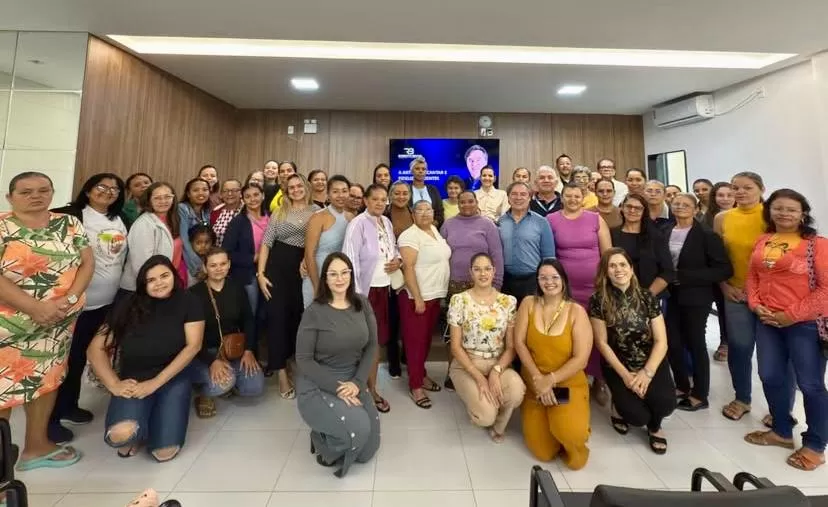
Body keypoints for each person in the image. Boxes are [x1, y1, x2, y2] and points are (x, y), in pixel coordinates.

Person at [0, 172, 92, 470]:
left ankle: (36, 446)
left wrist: (66, 301)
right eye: (25, 191)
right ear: (9, 196)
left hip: (57, 323)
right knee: (4, 390)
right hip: (10, 325)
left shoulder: (68, 223)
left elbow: (87, 262)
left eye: (43, 190)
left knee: (45, 382)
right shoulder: (2, 226)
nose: (35, 196)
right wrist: (33, 306)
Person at [87, 255, 204, 461]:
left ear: (174, 276)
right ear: (143, 283)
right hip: (134, 378)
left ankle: (150, 421)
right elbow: (95, 348)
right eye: (151, 280)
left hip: (172, 377)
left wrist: (154, 384)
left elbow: (193, 346)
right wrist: (114, 384)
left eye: (164, 276)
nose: (159, 283)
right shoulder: (127, 304)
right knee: (119, 437)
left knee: (164, 452)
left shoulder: (189, 301)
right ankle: (141, 426)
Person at [744, 189, 827, 471]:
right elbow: (753, 275)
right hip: (767, 321)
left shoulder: (817, 245)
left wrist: (791, 315)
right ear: (769, 212)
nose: (784, 213)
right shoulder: (764, 239)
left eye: (791, 209)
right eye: (778, 208)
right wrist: (755, 304)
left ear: (803, 213)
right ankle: (780, 430)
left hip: (804, 324)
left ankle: (815, 444)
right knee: (769, 375)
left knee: (811, 385)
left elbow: (826, 290)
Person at [48, 173, 129, 444]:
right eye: (101, 187)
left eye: (114, 189)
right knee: (63, 360)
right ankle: (51, 420)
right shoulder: (71, 215)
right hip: (75, 303)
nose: (108, 192)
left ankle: (70, 405)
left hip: (105, 302)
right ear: (88, 190)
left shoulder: (118, 219)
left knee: (81, 357)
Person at [714, 172, 791, 423]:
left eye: (747, 188)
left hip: (772, 297)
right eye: (736, 188)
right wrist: (724, 286)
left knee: (777, 354)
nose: (740, 192)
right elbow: (717, 258)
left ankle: (781, 409)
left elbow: (785, 259)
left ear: (761, 189)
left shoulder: (772, 217)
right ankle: (742, 398)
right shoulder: (722, 218)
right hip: (735, 293)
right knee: (739, 348)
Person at [296, 252, 381, 478]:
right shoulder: (314, 312)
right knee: (359, 430)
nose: (340, 279)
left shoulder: (362, 303)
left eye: (344, 273)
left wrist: (357, 382)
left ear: (351, 275)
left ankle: (329, 433)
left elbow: (372, 345)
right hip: (319, 381)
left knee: (367, 450)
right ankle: (321, 439)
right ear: (325, 279)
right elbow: (303, 359)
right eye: (333, 274)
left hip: (353, 379)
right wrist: (338, 388)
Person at [589, 248, 676, 454]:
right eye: (612, 266)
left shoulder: (647, 297)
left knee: (665, 404)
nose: (618, 270)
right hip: (618, 365)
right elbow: (602, 343)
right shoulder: (598, 300)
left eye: (622, 265)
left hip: (650, 361)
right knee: (637, 417)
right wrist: (627, 377)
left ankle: (655, 427)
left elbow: (661, 341)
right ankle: (618, 408)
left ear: (631, 269)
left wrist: (647, 373)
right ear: (605, 271)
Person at [515, 259, 592, 469]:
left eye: (554, 277)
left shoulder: (576, 312)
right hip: (535, 383)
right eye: (543, 277)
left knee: (571, 438)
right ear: (537, 280)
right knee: (542, 452)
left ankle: (574, 427)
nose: (549, 282)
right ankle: (552, 424)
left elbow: (581, 359)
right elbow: (519, 343)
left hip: (567, 384)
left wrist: (551, 379)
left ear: (564, 280)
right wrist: (539, 380)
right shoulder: (528, 303)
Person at [448, 253, 526, 442]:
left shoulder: (508, 302)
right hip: (467, 363)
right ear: (471, 273)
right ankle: (481, 409)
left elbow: (511, 346)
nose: (483, 273)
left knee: (517, 391)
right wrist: (479, 377)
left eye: (487, 269)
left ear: (494, 271)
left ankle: (499, 425)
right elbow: (456, 347)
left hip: (497, 362)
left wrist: (496, 371)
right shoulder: (459, 300)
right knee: (485, 416)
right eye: (477, 269)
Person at [665, 193, 732, 412]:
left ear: (696, 209)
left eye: (686, 205)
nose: (680, 207)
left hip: (696, 297)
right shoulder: (666, 231)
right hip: (670, 295)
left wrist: (684, 276)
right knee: (672, 342)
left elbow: (723, 269)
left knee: (695, 343)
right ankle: (682, 385)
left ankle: (700, 394)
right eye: (676, 204)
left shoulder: (706, 235)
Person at [548, 183, 612, 404]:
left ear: (583, 197)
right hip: (565, 291)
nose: (573, 199)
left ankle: (600, 381)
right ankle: (573, 378)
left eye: (577, 196)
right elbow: (550, 254)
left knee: (596, 334)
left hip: (594, 289)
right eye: (568, 196)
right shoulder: (552, 219)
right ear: (562, 197)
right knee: (569, 335)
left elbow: (608, 255)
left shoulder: (595, 219)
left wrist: (605, 284)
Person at [258, 174, 320, 397]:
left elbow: (318, 242)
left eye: (299, 186)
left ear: (306, 187)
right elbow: (266, 243)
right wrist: (261, 274)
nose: (295, 190)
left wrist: (307, 259)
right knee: (277, 320)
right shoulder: (280, 210)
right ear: (286, 190)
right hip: (276, 269)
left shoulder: (316, 211)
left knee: (296, 320)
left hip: (302, 271)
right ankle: (282, 374)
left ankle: (289, 361)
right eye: (291, 187)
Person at [342, 184, 399, 413]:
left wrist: (398, 260)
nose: (379, 203)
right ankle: (358, 389)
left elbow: (392, 250)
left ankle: (371, 388)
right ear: (365, 200)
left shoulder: (386, 222)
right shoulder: (357, 224)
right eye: (374, 198)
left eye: (383, 199)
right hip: (364, 292)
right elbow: (349, 259)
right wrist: (355, 296)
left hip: (384, 289)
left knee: (375, 343)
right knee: (363, 343)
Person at [441, 190, 504, 389]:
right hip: (454, 286)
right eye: (462, 202)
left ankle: (480, 373)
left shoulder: (487, 225)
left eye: (470, 201)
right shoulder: (448, 224)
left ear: (476, 202)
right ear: (457, 203)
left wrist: (497, 284)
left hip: (482, 286)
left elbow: (497, 255)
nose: (466, 204)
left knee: (478, 333)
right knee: (455, 335)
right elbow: (441, 253)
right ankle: (453, 374)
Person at [190, 248, 264, 418]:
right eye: (213, 265)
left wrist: (248, 350)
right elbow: (190, 339)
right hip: (205, 353)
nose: (219, 268)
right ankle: (205, 393)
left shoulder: (236, 288)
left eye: (223, 264)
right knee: (223, 383)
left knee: (254, 387)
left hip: (233, 350)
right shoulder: (194, 295)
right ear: (205, 267)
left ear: (229, 264)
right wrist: (211, 361)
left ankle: (229, 381)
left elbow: (248, 320)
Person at [399, 200, 451, 408]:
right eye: (419, 210)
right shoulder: (409, 235)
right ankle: (415, 386)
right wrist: (417, 297)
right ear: (412, 214)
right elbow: (408, 268)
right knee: (415, 343)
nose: (424, 213)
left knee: (426, 340)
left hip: (434, 295)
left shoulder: (434, 230)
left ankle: (421, 375)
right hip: (416, 298)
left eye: (427, 209)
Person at [222, 182, 269, 343]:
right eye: (248, 196)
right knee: (252, 315)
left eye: (256, 195)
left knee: (266, 315)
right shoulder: (238, 222)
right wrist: (254, 258)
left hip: (270, 272)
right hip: (248, 276)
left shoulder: (272, 217)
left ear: (263, 196)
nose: (253, 199)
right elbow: (227, 252)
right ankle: (249, 352)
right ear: (243, 199)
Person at [499, 182, 556, 304]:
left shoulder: (541, 222)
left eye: (523, 194)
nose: (518, 198)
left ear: (530, 198)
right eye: (514, 194)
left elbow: (549, 257)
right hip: (506, 282)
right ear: (508, 198)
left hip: (533, 282)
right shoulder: (500, 222)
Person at [611, 193, 675, 300]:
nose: (632, 210)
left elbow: (667, 272)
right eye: (628, 206)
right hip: (618, 297)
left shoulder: (656, 235)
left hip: (652, 297)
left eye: (638, 208)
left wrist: (646, 297)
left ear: (644, 211)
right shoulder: (612, 234)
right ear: (621, 207)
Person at [303, 175, 354, 307]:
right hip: (317, 274)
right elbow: (309, 254)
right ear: (328, 194)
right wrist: (317, 287)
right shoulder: (318, 217)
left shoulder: (352, 218)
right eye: (335, 191)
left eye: (344, 191)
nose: (340, 195)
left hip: (340, 278)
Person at [120, 182, 181, 293]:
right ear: (149, 201)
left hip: (163, 284)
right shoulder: (143, 224)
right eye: (157, 198)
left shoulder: (173, 220)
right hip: (143, 289)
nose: (163, 201)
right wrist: (155, 287)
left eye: (167, 197)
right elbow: (140, 265)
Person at [703, 181, 735, 361]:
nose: (725, 199)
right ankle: (725, 341)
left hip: (738, 270)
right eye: (720, 195)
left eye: (729, 195)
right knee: (722, 308)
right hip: (713, 270)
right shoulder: (706, 219)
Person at [178, 178, 212, 286]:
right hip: (188, 263)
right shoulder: (182, 208)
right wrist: (197, 267)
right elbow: (184, 240)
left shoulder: (206, 212)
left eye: (205, 189)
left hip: (203, 262)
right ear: (188, 194)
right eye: (196, 190)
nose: (201, 193)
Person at [407, 156, 445, 228]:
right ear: (411, 171)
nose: (420, 171)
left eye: (423, 169)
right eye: (417, 169)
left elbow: (440, 212)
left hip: (432, 229)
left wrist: (431, 226)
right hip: (412, 229)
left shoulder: (433, 190)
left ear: (426, 171)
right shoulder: (406, 189)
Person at [210, 179, 243, 246]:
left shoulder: (247, 210)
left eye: (234, 190)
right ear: (221, 194)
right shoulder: (215, 212)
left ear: (241, 193)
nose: (230, 194)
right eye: (225, 191)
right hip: (217, 253)